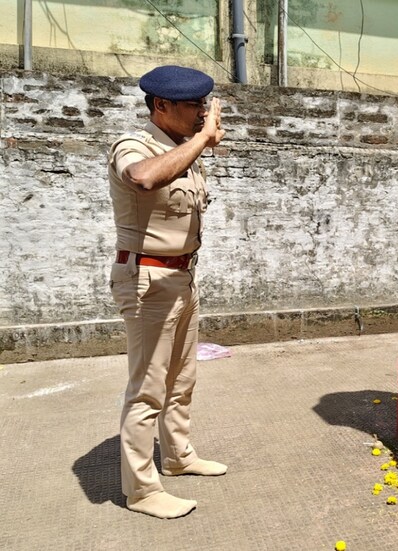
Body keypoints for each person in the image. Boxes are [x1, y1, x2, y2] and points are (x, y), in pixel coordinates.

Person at [107, 65, 227, 519]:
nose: (202, 113)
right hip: (147, 281)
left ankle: (177, 456)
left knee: (181, 380)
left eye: (203, 105)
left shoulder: (181, 151)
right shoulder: (134, 145)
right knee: (147, 390)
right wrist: (201, 142)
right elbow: (142, 178)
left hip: (181, 278)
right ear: (162, 106)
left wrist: (193, 144)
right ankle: (141, 490)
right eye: (194, 105)